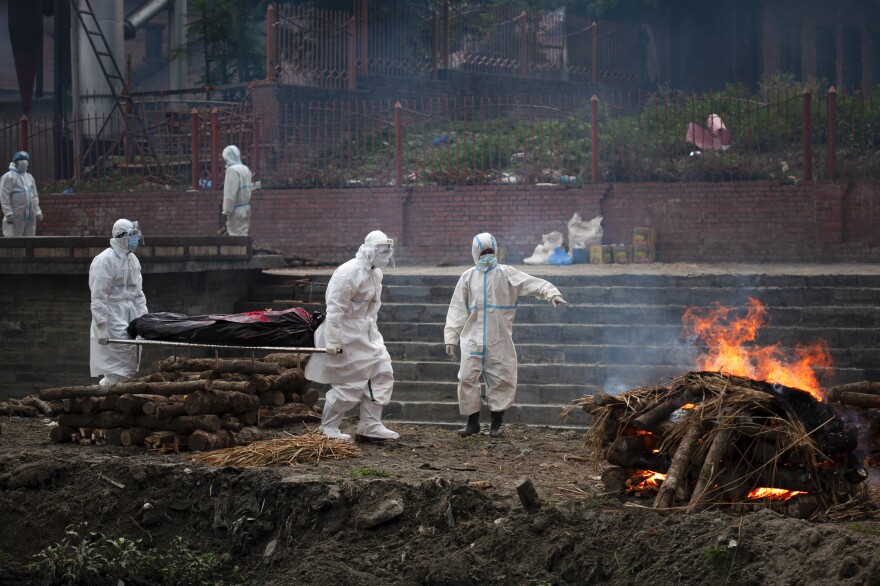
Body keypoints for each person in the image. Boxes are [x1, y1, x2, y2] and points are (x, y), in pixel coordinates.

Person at [444, 232, 567, 437]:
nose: (487, 255)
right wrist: (451, 337)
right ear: (475, 253)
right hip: (472, 338)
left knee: (502, 379)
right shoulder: (468, 277)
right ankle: (472, 423)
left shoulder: (506, 274)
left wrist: (551, 293)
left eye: (490, 251)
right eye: (483, 252)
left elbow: (532, 283)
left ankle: (495, 426)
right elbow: (457, 309)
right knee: (466, 378)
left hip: (498, 338)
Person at [304, 230, 399, 441]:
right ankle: (328, 428)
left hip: (366, 333)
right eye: (383, 251)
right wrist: (332, 340)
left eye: (388, 251)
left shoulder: (376, 273)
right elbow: (335, 309)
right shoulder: (348, 272)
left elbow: (371, 309)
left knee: (382, 372)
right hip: (343, 333)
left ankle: (370, 425)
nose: (386, 255)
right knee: (351, 383)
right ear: (370, 251)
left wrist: (372, 333)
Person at [89, 219, 148, 386]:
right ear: (122, 237)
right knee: (118, 364)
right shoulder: (105, 260)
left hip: (131, 315)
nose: (135, 240)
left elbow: (138, 294)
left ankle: (112, 395)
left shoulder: (133, 261)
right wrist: (101, 325)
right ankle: (110, 395)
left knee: (131, 359)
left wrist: (144, 320)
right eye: (132, 236)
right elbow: (99, 297)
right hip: (112, 315)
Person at [1, 151, 43, 237]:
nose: (24, 165)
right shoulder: (8, 177)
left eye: (26, 163)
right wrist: (8, 213)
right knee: (14, 241)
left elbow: (34, 196)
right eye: (22, 163)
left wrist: (38, 211)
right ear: (16, 163)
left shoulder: (29, 177)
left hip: (30, 215)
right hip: (15, 215)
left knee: (29, 240)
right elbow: (4, 196)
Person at [221, 145, 253, 236]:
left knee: (236, 238)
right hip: (246, 208)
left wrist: (226, 210)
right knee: (244, 234)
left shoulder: (232, 170)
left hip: (236, 210)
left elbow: (230, 193)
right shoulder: (245, 168)